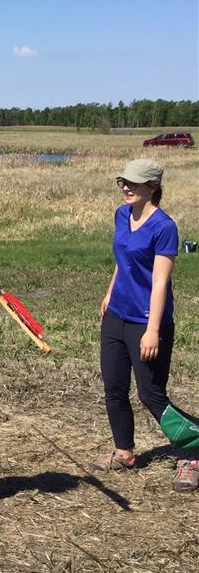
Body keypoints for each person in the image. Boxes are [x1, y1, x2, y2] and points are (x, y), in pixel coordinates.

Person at [93, 158, 199, 491]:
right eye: (123, 181)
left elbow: (159, 284)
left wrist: (153, 330)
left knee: (151, 394)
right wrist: (110, 293)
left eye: (134, 183)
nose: (126, 187)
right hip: (117, 316)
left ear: (152, 187)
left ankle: (192, 452)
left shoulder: (164, 227)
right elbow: (121, 260)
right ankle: (124, 452)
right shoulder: (121, 214)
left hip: (146, 321)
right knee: (113, 388)